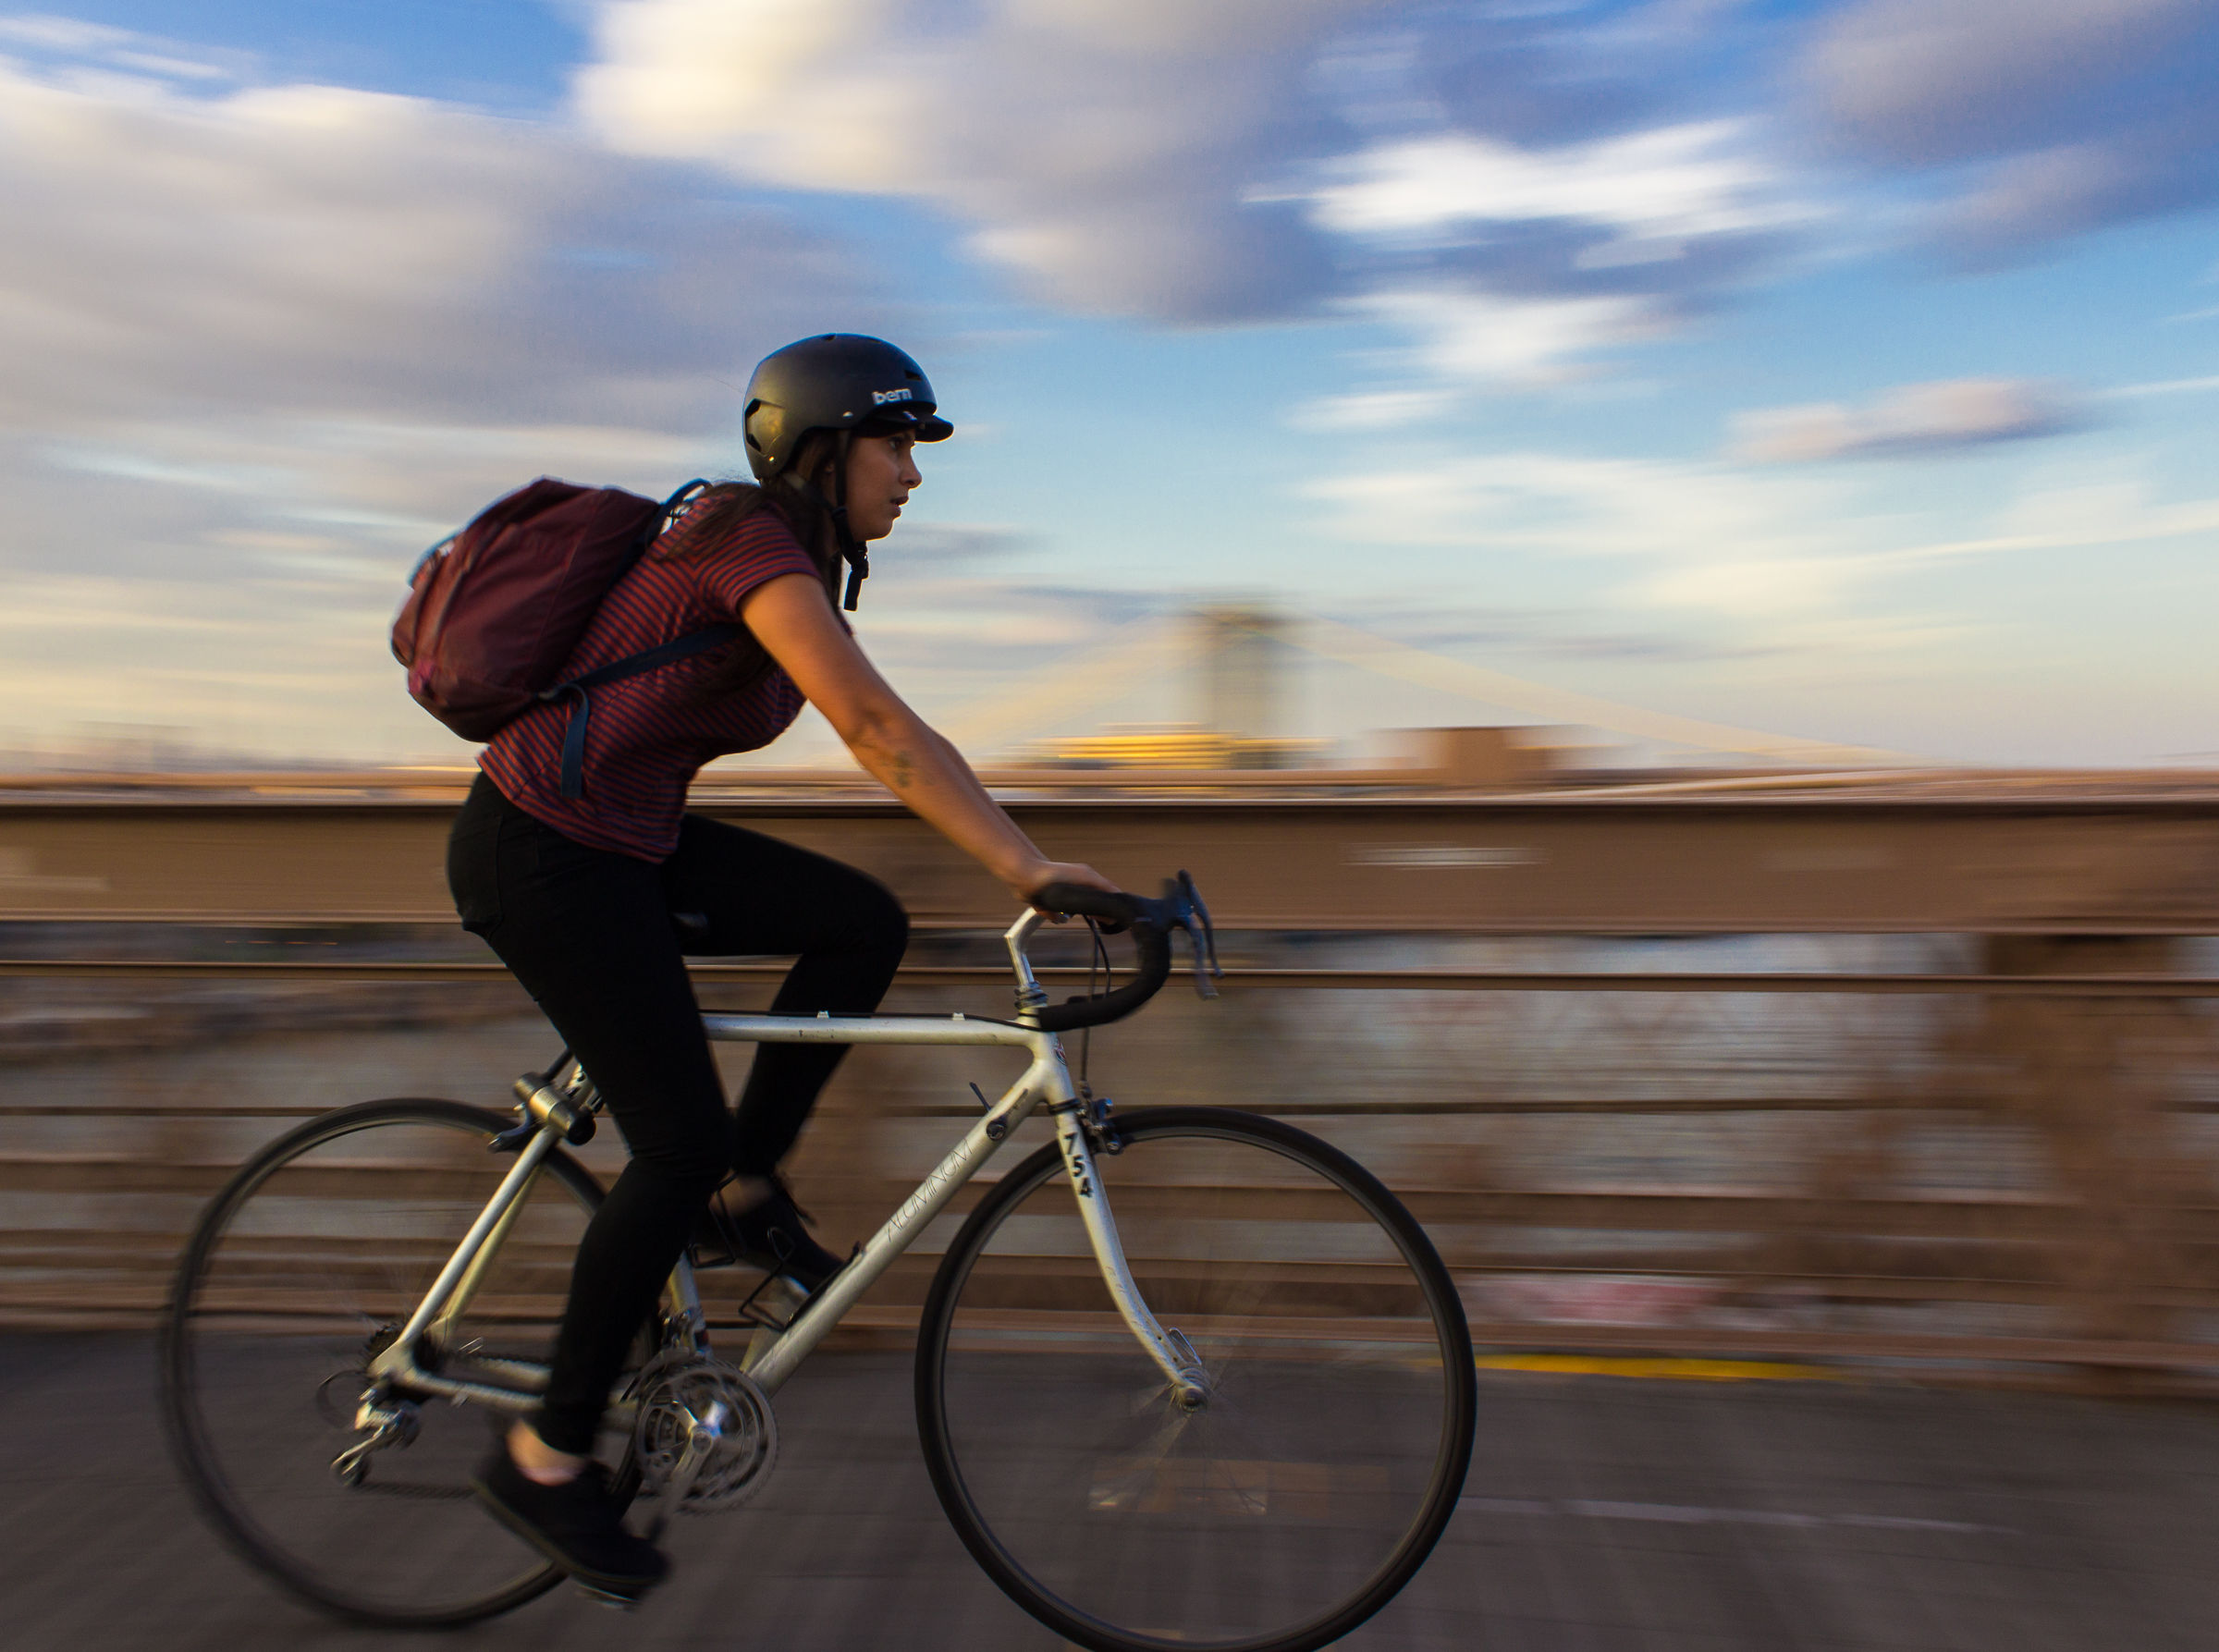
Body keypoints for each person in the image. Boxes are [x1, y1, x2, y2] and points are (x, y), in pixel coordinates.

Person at [447, 334, 1118, 1597]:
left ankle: (743, 1195)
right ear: (820, 448)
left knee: (861, 923)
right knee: (671, 1141)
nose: (914, 474)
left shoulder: (793, 554)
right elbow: (874, 726)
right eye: (896, 444)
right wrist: (1029, 868)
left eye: (918, 450)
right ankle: (544, 1454)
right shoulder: (748, 542)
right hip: (541, 853)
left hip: (625, 844)